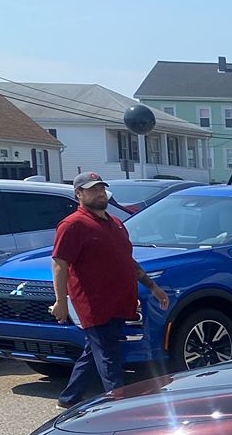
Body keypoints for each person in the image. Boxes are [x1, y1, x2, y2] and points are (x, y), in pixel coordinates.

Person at [49, 173, 168, 410]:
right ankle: (119, 407)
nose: (99, 193)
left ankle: (68, 399)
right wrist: (60, 301)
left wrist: (153, 287)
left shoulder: (115, 223)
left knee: (95, 352)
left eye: (101, 188)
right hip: (94, 303)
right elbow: (59, 263)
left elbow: (127, 261)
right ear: (79, 194)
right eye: (92, 189)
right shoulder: (73, 225)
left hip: (118, 301)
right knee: (108, 356)